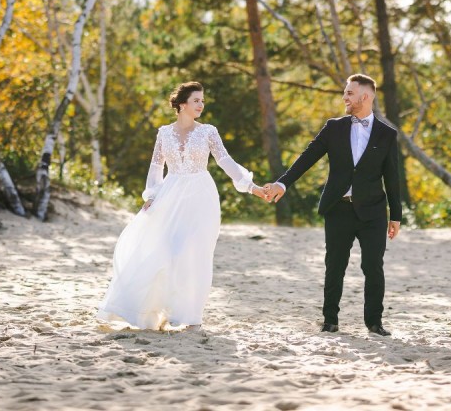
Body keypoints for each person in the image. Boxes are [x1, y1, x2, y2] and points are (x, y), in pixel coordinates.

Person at [98, 81, 267, 330]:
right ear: (182, 104)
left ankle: (188, 314)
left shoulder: (208, 131)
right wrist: (151, 196)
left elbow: (225, 160)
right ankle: (156, 309)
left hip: (201, 196)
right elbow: (156, 166)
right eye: (196, 100)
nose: (201, 105)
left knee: (194, 253)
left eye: (202, 100)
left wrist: (250, 186)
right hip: (170, 194)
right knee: (167, 250)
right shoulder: (164, 133)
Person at [264, 74, 401, 336]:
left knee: (373, 267)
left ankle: (375, 323)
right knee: (335, 266)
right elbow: (307, 158)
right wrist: (283, 183)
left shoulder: (387, 134)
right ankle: (330, 320)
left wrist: (396, 216)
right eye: (345, 92)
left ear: (365, 96)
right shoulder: (333, 127)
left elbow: (392, 177)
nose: (344, 97)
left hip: (373, 212)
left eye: (349, 93)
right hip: (338, 209)